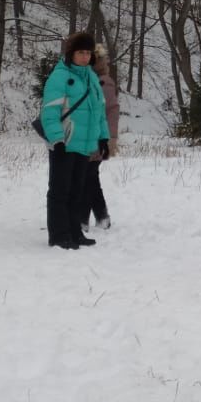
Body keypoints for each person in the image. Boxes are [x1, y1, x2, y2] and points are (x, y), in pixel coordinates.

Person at [40, 31, 110, 250]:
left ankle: (74, 232)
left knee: (77, 191)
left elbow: (99, 111)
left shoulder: (91, 77)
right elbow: (50, 111)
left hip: (85, 144)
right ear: (71, 53)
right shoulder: (60, 76)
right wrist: (57, 140)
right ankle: (59, 235)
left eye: (88, 53)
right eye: (81, 52)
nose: (85, 57)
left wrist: (103, 138)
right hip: (65, 142)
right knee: (60, 191)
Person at [81, 43, 120, 233]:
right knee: (90, 178)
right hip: (90, 135)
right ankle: (102, 217)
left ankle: (82, 219)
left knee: (86, 177)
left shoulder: (103, 82)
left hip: (97, 137)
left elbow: (111, 111)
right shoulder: (91, 79)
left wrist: (111, 137)